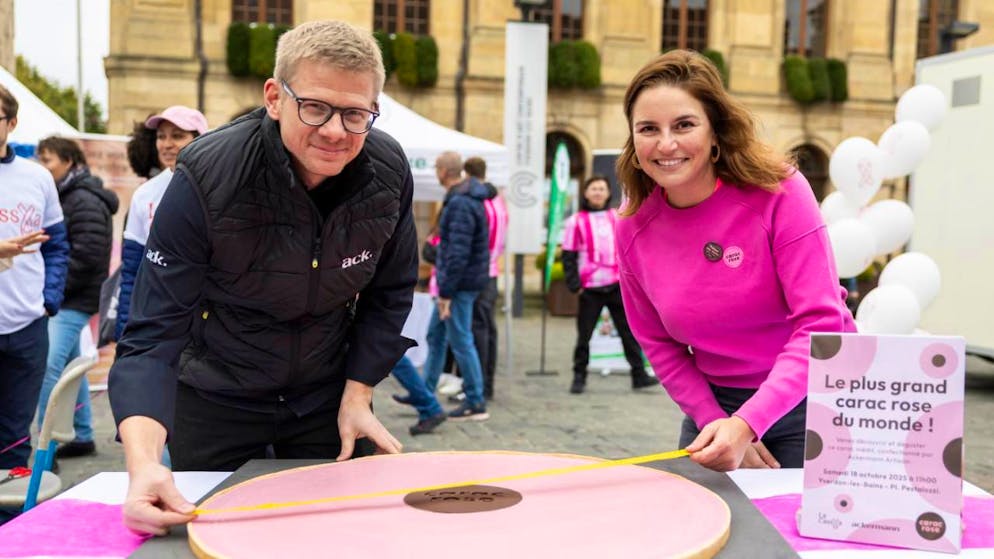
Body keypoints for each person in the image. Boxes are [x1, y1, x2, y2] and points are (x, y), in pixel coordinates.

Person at [107, 20, 418, 535]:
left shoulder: (388, 170)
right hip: (214, 395)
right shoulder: (206, 176)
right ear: (275, 97)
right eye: (315, 107)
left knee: (337, 539)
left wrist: (359, 391)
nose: (336, 131)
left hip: (324, 397)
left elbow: (390, 291)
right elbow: (152, 334)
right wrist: (144, 465)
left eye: (356, 113)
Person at [613, 50, 855, 472]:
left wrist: (749, 424)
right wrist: (718, 423)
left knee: (803, 535)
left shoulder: (779, 191)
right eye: (648, 129)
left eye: (684, 125)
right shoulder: (632, 226)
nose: (666, 144)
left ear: (714, 134)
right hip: (715, 406)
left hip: (816, 394)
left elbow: (821, 321)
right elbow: (657, 342)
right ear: (634, 143)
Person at [34, 137, 119, 459]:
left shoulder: (81, 199)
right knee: (70, 363)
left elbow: (86, 256)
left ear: (68, 162)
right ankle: (82, 435)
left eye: (48, 160)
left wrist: (49, 293)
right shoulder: (66, 195)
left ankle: (46, 451)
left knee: (48, 368)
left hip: (72, 299)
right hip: (68, 296)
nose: (43, 166)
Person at [0, 85, 70, 475]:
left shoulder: (37, 177)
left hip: (28, 325)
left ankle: (8, 526)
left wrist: (48, 301)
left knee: (15, 437)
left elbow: (57, 245)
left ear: (11, 123)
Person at [115, 106, 208, 340]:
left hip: (209, 324)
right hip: (160, 320)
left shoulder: (220, 188)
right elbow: (132, 271)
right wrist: (125, 328)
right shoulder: (145, 194)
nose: (166, 144)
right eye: (161, 136)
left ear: (200, 139)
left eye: (177, 136)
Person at [561, 175, 655, 394]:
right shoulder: (576, 221)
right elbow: (568, 254)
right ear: (586, 193)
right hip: (590, 287)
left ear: (608, 193)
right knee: (583, 336)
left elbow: (632, 246)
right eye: (593, 188)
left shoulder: (617, 216)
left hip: (616, 285)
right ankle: (579, 377)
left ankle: (638, 375)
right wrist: (574, 284)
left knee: (628, 332)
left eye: (601, 189)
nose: (597, 192)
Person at [421, 151, 490, 421]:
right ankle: (424, 394)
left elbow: (457, 252)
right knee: (435, 336)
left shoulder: (460, 203)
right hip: (457, 281)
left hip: (459, 285)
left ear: (442, 171)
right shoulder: (462, 199)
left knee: (461, 340)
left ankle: (476, 401)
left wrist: (447, 292)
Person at [462, 156, 507, 400]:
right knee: (487, 328)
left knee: (477, 329)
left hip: (478, 271)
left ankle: (479, 385)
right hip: (492, 270)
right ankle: (486, 382)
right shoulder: (498, 202)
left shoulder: (478, 202)